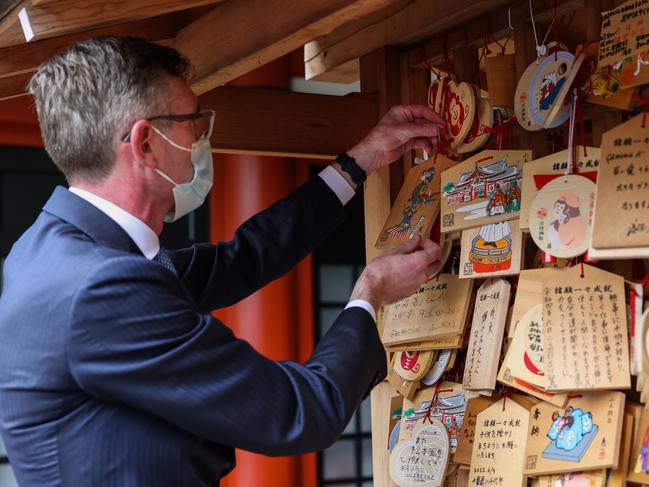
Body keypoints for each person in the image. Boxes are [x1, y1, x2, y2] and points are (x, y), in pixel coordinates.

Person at [0, 36, 445, 486]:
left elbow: (244, 259)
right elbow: (302, 411)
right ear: (145, 142)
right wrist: (369, 293)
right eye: (192, 119)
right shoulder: (106, 286)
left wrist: (361, 161)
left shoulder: (58, 251)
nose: (201, 135)